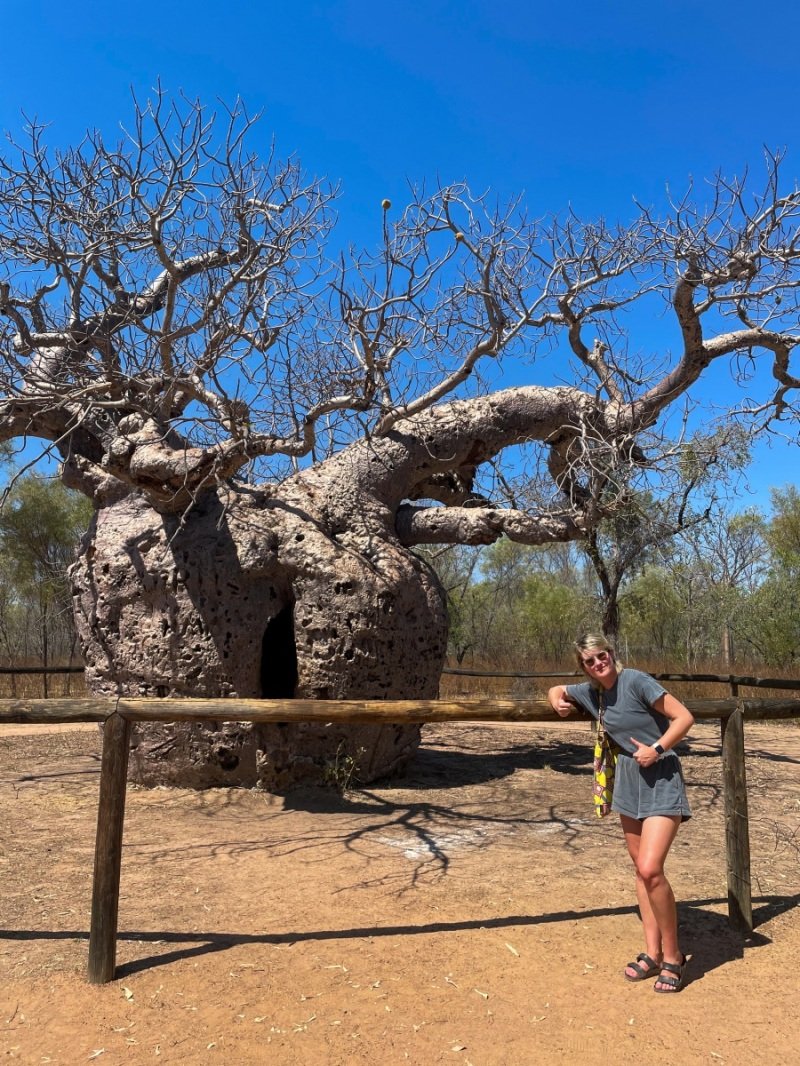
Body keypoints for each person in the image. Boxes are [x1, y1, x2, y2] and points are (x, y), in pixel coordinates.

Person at [548, 632, 694, 993]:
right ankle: (652, 952)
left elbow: (684, 717)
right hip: (628, 782)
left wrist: (657, 748)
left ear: (612, 653)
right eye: (591, 660)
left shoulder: (636, 681)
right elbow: (558, 690)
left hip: (660, 776)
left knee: (651, 868)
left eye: (603, 654)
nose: (600, 662)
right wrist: (556, 701)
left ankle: (674, 957)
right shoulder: (592, 692)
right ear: (584, 667)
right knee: (638, 870)